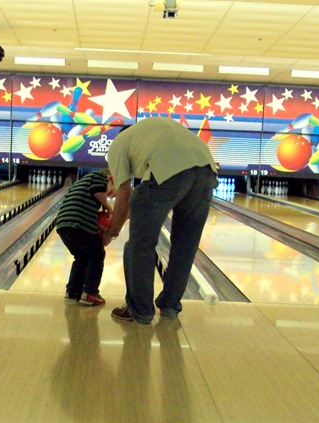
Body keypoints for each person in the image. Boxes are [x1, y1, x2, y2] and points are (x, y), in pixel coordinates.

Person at [102, 117, 218, 324]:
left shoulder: (118, 144)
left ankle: (140, 310)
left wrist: (111, 232)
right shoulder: (151, 131)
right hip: (207, 171)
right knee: (185, 247)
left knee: (139, 244)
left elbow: (124, 194)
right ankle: (170, 307)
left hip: (169, 171)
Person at [55, 169, 115, 306]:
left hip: (64, 224)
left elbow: (81, 211)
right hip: (78, 224)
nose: (109, 195)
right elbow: (97, 191)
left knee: (81, 256)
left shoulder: (82, 185)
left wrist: (101, 228)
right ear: (111, 178)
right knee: (98, 254)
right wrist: (108, 206)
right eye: (111, 192)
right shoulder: (100, 176)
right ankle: (90, 293)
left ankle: (73, 292)